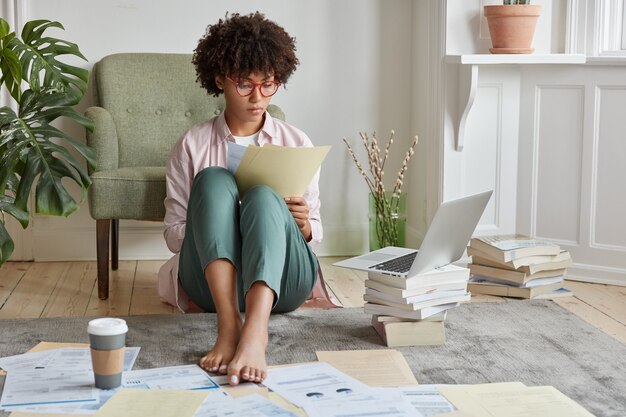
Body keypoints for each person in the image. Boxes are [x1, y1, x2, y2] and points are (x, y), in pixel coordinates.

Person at [158, 12, 323, 386]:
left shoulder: (296, 142)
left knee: (265, 196)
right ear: (220, 80)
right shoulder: (192, 144)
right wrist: (220, 224)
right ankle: (229, 324)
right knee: (214, 181)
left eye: (268, 85)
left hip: (284, 280)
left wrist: (303, 224)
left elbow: (318, 232)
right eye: (245, 85)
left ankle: (256, 333)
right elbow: (172, 234)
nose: (258, 97)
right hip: (213, 286)